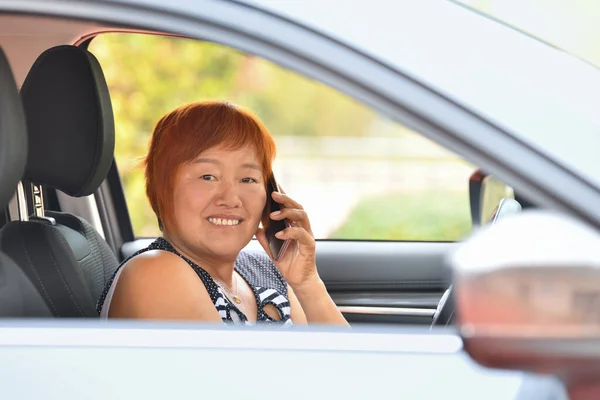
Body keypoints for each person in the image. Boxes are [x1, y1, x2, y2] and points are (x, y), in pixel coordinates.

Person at [97, 101, 348, 326]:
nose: (230, 199)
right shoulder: (156, 272)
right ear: (162, 188)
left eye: (248, 179)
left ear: (271, 195)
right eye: (208, 176)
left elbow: (351, 370)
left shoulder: (264, 270)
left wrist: (307, 283)